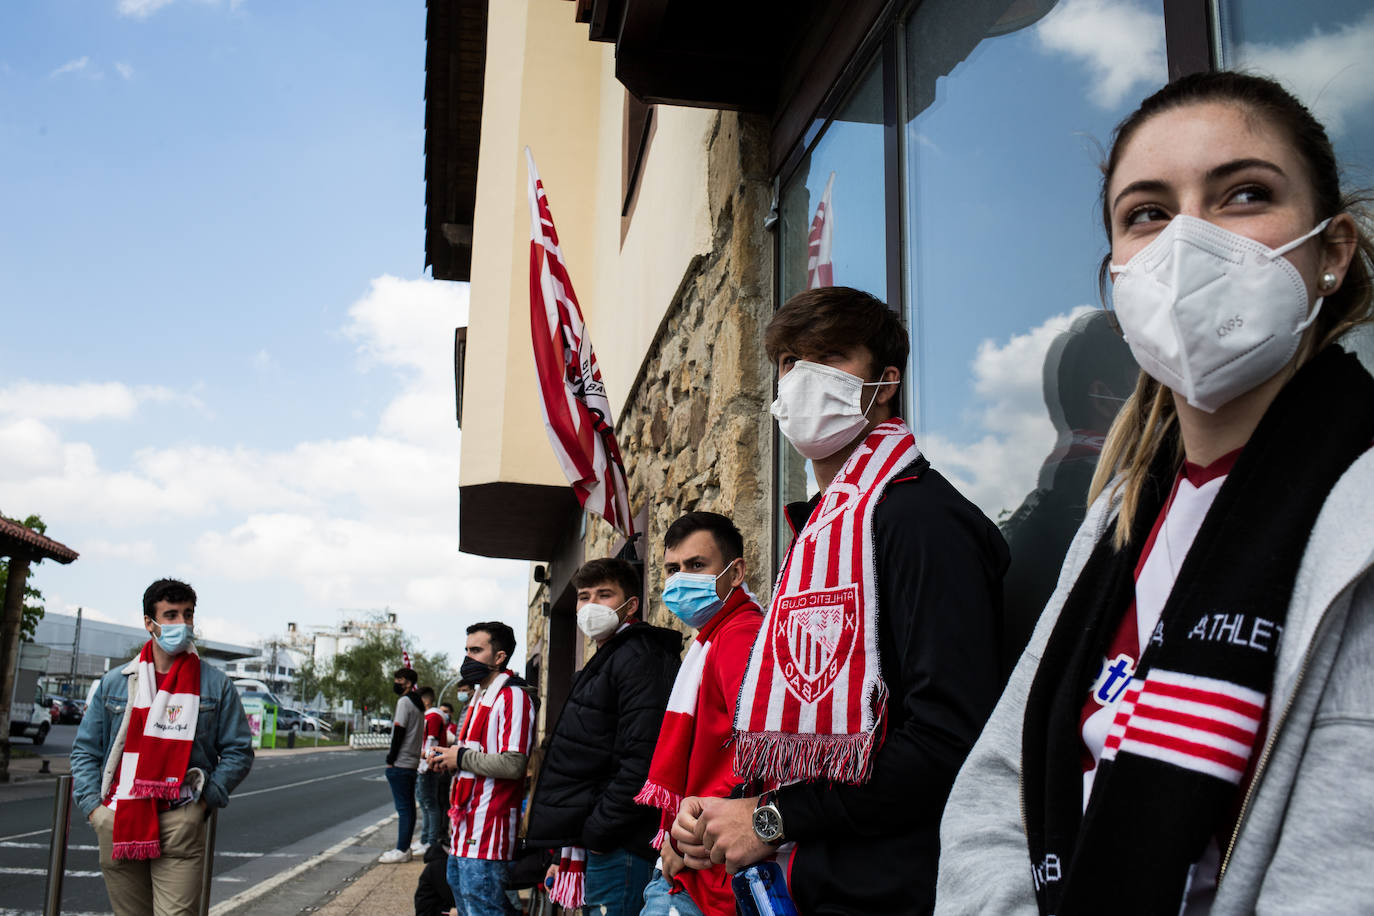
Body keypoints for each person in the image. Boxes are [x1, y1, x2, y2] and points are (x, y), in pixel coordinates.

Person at [935, 71, 1374, 916]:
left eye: (1244, 194)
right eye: (1148, 213)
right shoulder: (1117, 522)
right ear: (1117, 276)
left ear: (1332, 250)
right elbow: (994, 797)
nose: (1188, 245)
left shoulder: (1355, 513)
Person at [673, 286, 1009, 914]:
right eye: (790, 363)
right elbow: (803, 734)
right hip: (808, 884)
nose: (802, 379)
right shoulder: (825, 533)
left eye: (830, 357)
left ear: (884, 384)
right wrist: (721, 814)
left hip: (890, 892)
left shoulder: (923, 522)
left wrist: (770, 820)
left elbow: (948, 744)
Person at [71, 578, 254, 916]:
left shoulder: (215, 685)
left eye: (187, 615)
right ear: (149, 623)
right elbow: (85, 751)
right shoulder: (116, 683)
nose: (181, 624)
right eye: (170, 615)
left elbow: (239, 751)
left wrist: (202, 805)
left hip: (179, 820)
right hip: (119, 819)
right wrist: (95, 811)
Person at [526, 557, 682, 916]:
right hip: (604, 841)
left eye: (604, 594)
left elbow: (644, 759)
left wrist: (598, 831)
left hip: (622, 844)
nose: (591, 605)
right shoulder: (610, 657)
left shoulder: (639, 656)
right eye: (584, 596)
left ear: (630, 605)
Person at [636, 512, 764, 916]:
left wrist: (684, 839)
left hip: (707, 876)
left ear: (735, 571)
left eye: (696, 566)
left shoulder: (739, 635)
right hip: (695, 872)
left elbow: (759, 756)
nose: (679, 580)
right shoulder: (713, 638)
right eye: (672, 569)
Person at [429, 621, 535, 916]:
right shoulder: (479, 696)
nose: (468, 658)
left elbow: (514, 764)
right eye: (466, 650)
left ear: (499, 657)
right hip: (465, 822)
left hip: (489, 827)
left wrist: (459, 758)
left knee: (482, 907)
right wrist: (448, 761)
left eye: (476, 650)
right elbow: (471, 755)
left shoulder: (513, 697)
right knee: (466, 905)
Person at [380, 665, 425, 864]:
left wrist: (391, 758)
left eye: (399, 680)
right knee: (409, 808)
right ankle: (404, 847)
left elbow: (398, 731)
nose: (396, 683)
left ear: (407, 682)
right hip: (413, 762)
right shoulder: (419, 704)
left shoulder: (404, 702)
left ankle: (402, 849)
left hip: (401, 762)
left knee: (404, 809)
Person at [414, 685, 447, 853]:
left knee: (430, 804)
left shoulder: (433, 716)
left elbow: (431, 741)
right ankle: (425, 838)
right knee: (425, 803)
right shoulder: (429, 716)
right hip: (425, 766)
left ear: (425, 700)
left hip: (428, 766)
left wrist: (426, 763)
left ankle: (430, 841)